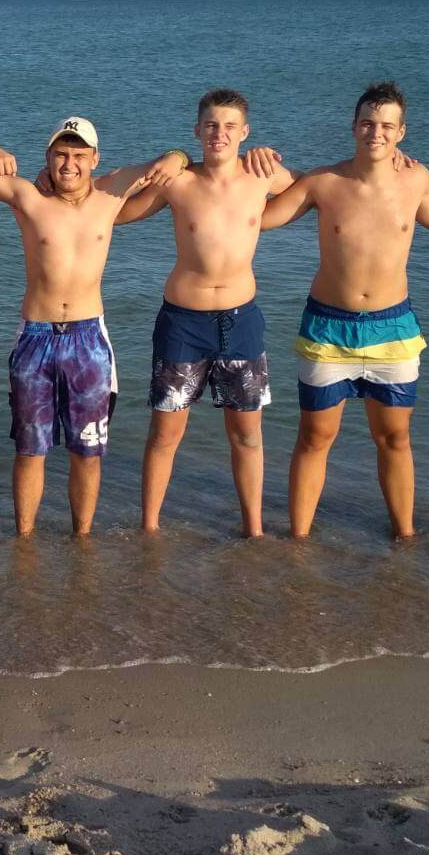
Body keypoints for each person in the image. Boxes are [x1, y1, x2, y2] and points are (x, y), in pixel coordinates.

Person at [261, 81, 429, 540]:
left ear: (401, 132)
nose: (377, 133)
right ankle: (298, 541)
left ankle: (404, 537)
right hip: (328, 327)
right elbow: (262, 218)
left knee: (394, 438)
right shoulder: (323, 182)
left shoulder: (416, 179)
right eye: (368, 123)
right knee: (315, 437)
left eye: (387, 126)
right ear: (354, 126)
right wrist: (260, 169)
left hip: (393, 328)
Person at [0, 119, 186, 535]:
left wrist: (177, 155)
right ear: (48, 157)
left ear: (95, 159)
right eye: (61, 155)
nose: (69, 164)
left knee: (87, 451)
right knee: (29, 450)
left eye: (79, 155)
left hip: (90, 341)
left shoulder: (111, 193)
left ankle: (82, 541)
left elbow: (169, 163)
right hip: (35, 337)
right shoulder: (28, 197)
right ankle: (24, 542)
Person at [114, 89, 294, 537]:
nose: (220, 134)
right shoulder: (178, 182)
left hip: (241, 322)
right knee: (165, 435)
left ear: (245, 132)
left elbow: (324, 190)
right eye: (211, 125)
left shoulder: (263, 177)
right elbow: (116, 210)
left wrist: (393, 163)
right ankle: (149, 530)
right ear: (197, 130)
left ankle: (254, 531)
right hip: (183, 323)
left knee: (247, 435)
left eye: (230, 126)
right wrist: (170, 157)